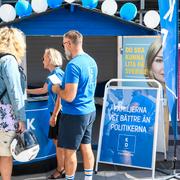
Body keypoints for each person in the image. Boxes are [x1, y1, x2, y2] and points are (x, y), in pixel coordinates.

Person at [52, 30, 98, 180]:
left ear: (69, 44)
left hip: (74, 114)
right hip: (89, 111)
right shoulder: (91, 61)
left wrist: (57, 89)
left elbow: (69, 96)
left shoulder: (73, 65)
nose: (63, 48)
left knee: (69, 152)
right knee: (86, 147)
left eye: (63, 44)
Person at [26, 48, 65, 179]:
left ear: (50, 59)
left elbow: (61, 96)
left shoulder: (57, 74)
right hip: (55, 113)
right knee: (57, 142)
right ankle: (63, 168)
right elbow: (43, 90)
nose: (42, 60)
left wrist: (54, 115)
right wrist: (26, 91)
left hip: (58, 113)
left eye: (44, 57)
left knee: (59, 143)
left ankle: (61, 170)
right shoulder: (52, 75)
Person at [0, 26, 26, 180]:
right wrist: (21, 117)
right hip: (6, 115)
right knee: (5, 154)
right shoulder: (8, 60)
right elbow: (15, 91)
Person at [145, 38, 169, 150]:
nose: (165, 67)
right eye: (159, 61)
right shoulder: (144, 96)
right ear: (150, 63)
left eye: (169, 60)